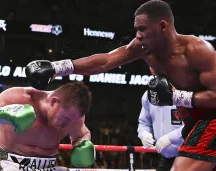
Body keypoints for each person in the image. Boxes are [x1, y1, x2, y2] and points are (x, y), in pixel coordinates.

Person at [25, 0, 216, 170]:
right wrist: (58, 67)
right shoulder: (143, 48)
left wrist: (175, 97)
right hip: (191, 122)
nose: (138, 35)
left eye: (143, 29)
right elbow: (106, 61)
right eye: (137, 29)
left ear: (162, 26)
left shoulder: (197, 51)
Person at [0, 82, 95, 171]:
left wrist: (82, 143)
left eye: (72, 121)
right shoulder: (18, 98)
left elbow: (83, 134)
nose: (67, 125)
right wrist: (0, 114)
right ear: (53, 101)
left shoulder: (75, 116)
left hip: (49, 167)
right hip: (11, 166)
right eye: (65, 119)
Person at [138, 90, 184, 171]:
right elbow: (144, 123)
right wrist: (144, 134)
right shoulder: (149, 95)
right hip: (166, 157)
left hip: (189, 154)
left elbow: (195, 124)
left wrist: (171, 137)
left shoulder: (184, 92)